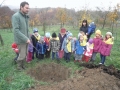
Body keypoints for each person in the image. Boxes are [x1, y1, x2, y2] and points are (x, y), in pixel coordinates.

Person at [12, 1, 30, 70]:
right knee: (22, 55)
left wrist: (28, 37)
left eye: (28, 8)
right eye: (26, 8)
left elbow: (26, 29)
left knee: (25, 54)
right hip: (21, 40)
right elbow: (16, 30)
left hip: (26, 39)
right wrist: (25, 39)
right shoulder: (16, 16)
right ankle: (19, 67)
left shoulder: (25, 16)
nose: (28, 9)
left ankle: (23, 66)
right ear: (21, 7)